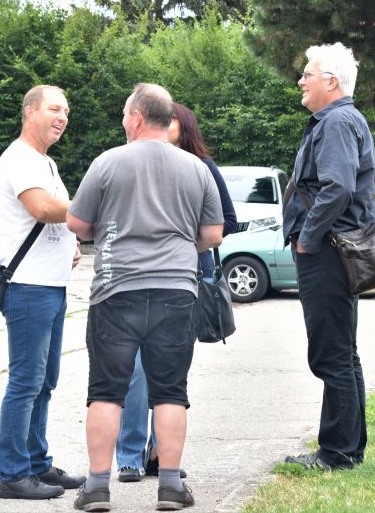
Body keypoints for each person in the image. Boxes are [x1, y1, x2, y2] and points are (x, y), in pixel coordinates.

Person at [66, 83, 224, 511]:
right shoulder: (197, 169)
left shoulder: (107, 162)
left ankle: (97, 487)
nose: (123, 120)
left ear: (136, 117)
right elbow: (212, 234)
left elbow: (77, 223)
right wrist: (178, 244)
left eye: (124, 113)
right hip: (177, 292)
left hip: (116, 291)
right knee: (171, 391)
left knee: (106, 392)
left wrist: (109, 229)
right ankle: (170, 486)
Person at [115, 103, 237, 482]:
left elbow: (227, 222)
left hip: (186, 279)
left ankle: (159, 454)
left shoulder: (201, 167)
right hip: (137, 279)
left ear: (184, 129)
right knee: (136, 370)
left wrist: (182, 247)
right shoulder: (134, 163)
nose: (161, 127)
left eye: (169, 122)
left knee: (168, 371)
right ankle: (130, 456)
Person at [282, 43, 375, 471]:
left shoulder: (337, 121)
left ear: (331, 82)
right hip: (335, 249)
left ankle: (337, 452)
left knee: (331, 354)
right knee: (342, 351)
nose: (301, 80)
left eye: (308, 74)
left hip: (327, 250)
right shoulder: (341, 119)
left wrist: (308, 237)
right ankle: (348, 448)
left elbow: (337, 187)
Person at [0, 85, 85, 500]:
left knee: (45, 381)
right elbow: (43, 209)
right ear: (29, 111)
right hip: (29, 287)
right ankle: (13, 474)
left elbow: (51, 219)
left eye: (66, 111)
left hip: (51, 285)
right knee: (26, 382)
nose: (62, 117)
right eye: (54, 108)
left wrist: (71, 243)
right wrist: (91, 205)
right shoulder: (20, 158)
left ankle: (36, 463)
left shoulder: (45, 162)